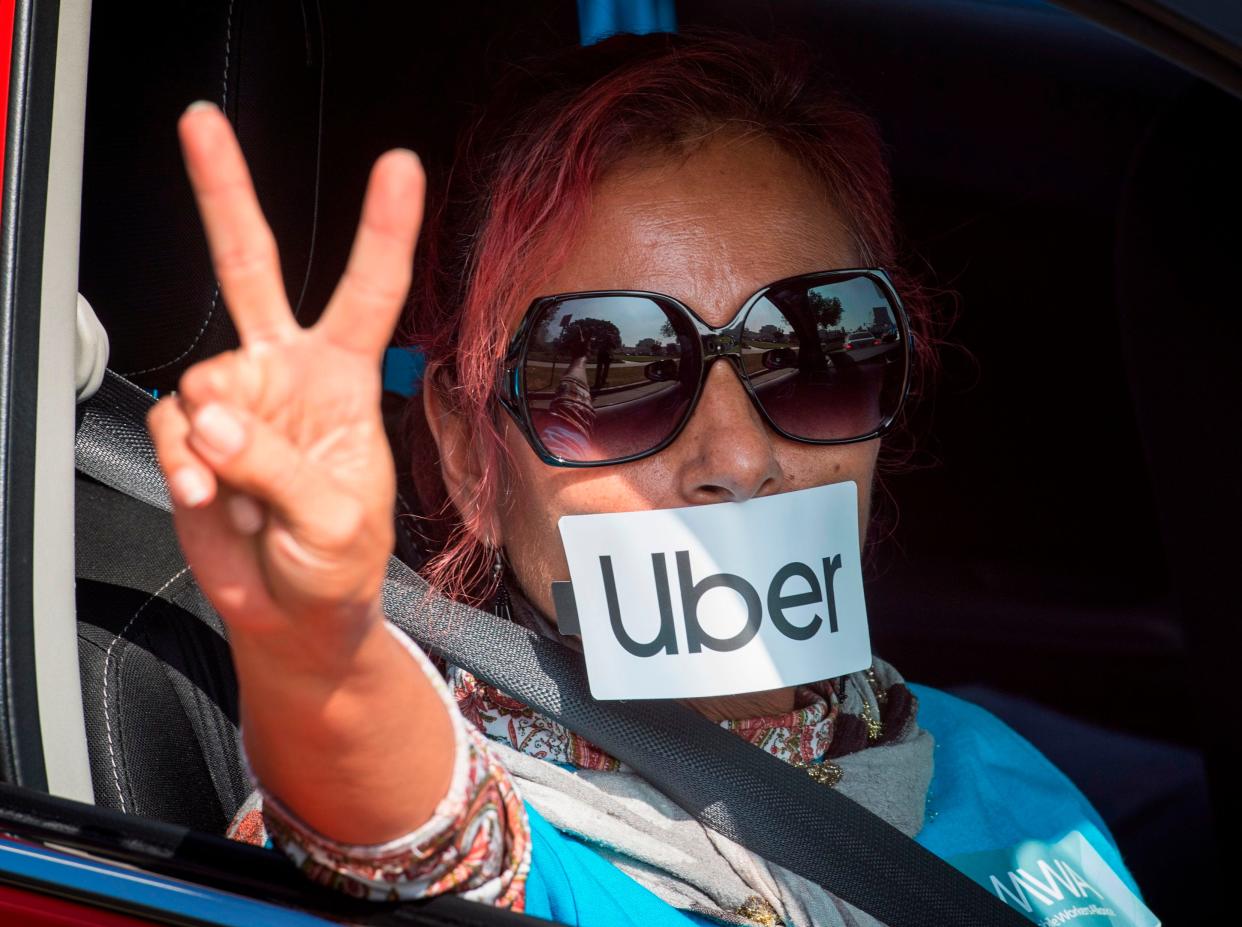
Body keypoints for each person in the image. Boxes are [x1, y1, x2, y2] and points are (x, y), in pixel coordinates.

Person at [148, 32, 1142, 927]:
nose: (736, 459)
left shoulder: (1012, 781)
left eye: (811, 351)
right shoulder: (505, 836)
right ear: (470, 460)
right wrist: (325, 649)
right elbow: (415, 839)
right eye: (609, 373)